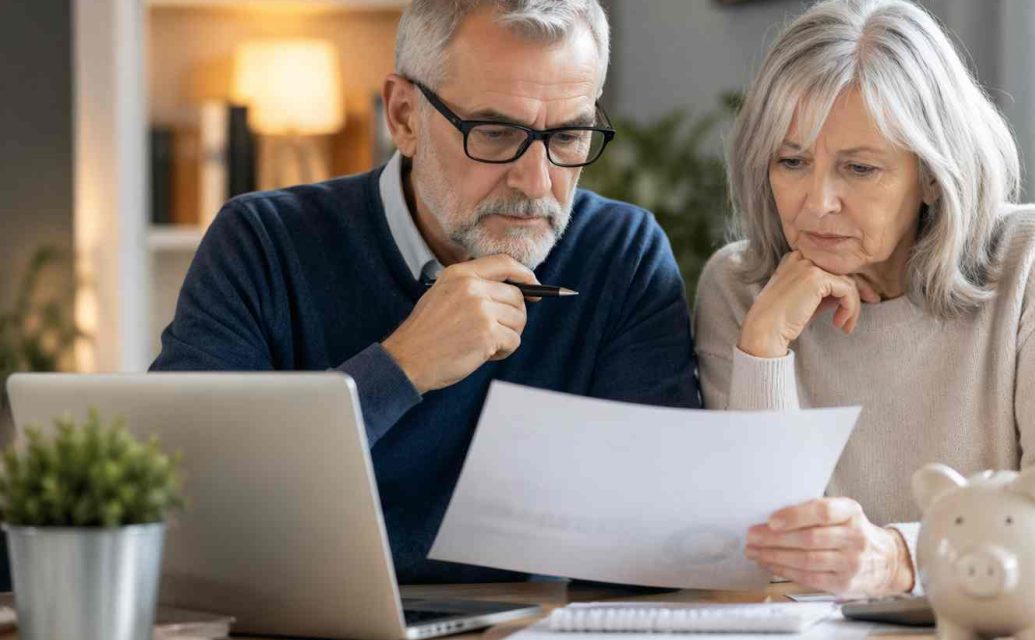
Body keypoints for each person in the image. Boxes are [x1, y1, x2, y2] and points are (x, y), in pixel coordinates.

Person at [152, 0, 700, 584]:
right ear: (405, 116)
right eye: (494, 133)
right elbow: (179, 496)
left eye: (568, 136)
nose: (537, 181)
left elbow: (651, 552)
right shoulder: (263, 243)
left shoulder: (621, 253)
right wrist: (401, 367)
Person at [695, 0, 1035, 598]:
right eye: (792, 161)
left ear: (931, 175)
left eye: (859, 169)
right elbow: (756, 551)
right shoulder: (739, 288)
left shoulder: (1031, 258)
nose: (817, 201)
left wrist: (905, 558)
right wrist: (764, 350)